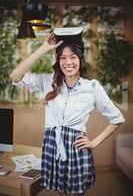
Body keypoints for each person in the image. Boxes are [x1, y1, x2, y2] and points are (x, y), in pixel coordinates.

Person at [10, 28, 125, 196]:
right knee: (61, 193)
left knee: (76, 193)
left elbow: (117, 118)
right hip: (52, 145)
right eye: (62, 57)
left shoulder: (92, 87)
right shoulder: (48, 81)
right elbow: (14, 76)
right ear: (58, 61)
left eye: (73, 57)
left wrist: (94, 142)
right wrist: (43, 48)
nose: (68, 62)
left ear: (80, 59)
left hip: (75, 149)